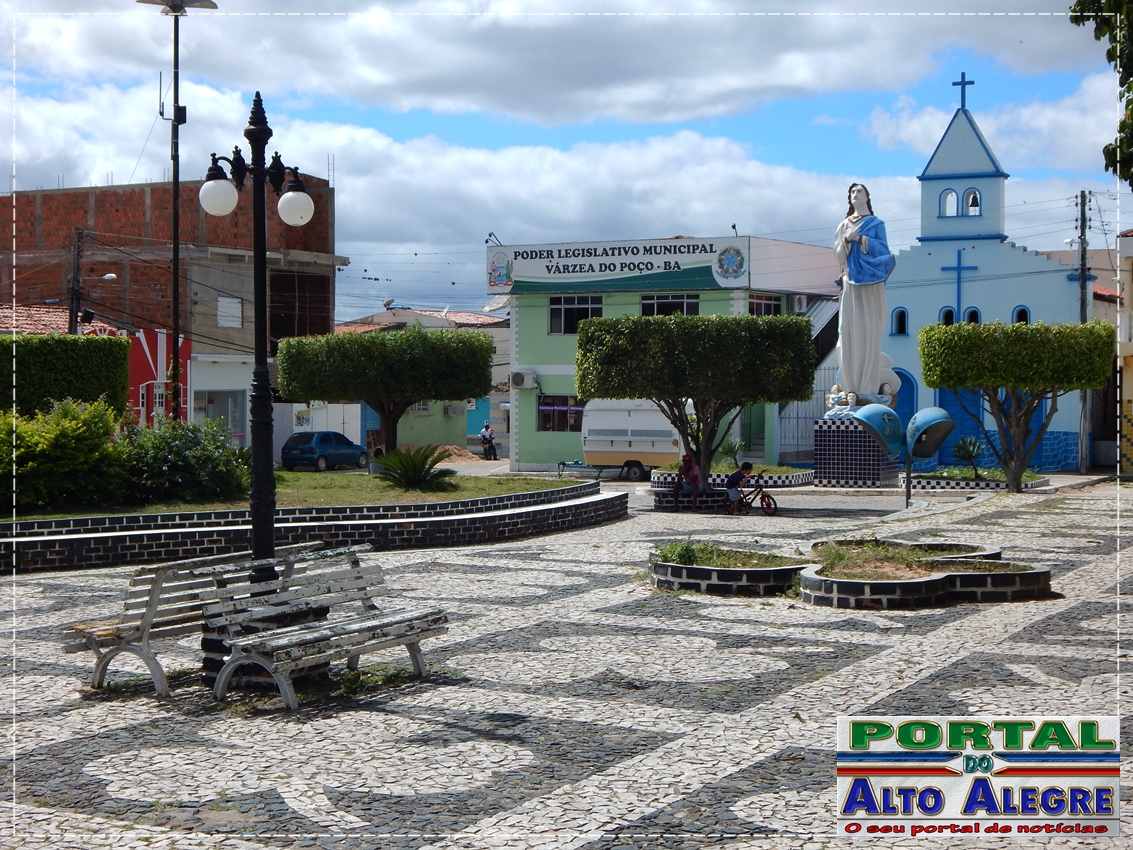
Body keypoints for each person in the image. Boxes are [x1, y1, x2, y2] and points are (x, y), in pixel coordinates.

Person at [833, 183, 896, 407]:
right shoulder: (843, 226)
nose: (855, 195)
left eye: (859, 191)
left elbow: (883, 250)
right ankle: (850, 385)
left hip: (870, 282)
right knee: (848, 330)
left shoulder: (876, 224)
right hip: (850, 282)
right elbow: (839, 257)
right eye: (851, 192)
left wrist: (861, 239)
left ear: (867, 196)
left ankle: (867, 386)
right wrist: (847, 239)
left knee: (869, 330)